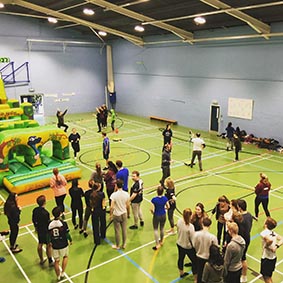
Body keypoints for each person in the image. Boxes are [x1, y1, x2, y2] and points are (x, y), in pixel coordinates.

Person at [48, 207, 72, 281]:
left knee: (56, 261)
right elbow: (67, 234)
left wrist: (49, 242)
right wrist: (70, 240)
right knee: (65, 256)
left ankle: (58, 276)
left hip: (55, 245)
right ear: (60, 214)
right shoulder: (63, 223)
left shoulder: (50, 224)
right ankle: (62, 272)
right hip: (63, 244)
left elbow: (48, 235)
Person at [193, 217, 218, 283]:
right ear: (210, 226)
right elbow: (216, 249)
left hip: (199, 256)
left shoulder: (196, 234)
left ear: (202, 224)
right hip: (208, 258)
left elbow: (194, 245)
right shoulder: (213, 237)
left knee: (199, 274)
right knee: (207, 276)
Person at [176, 208, 197, 281]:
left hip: (179, 243)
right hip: (188, 246)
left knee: (180, 259)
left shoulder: (179, 221)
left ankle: (181, 273)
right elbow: (192, 238)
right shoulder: (190, 227)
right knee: (194, 261)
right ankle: (195, 279)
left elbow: (178, 230)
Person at [260, 217, 283, 283]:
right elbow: (282, 238)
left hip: (267, 259)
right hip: (273, 258)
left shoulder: (263, 233)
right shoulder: (273, 233)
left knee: (266, 277)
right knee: (269, 276)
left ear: (266, 224)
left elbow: (269, 240)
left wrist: (266, 246)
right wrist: (276, 246)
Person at [32, 195, 53, 266]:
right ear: (44, 202)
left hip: (39, 229)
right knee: (48, 245)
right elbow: (48, 223)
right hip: (46, 231)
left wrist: (36, 227)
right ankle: (50, 261)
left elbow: (34, 219)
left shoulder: (35, 210)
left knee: (40, 243)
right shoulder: (45, 213)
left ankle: (41, 259)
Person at [110, 179, 130, 250]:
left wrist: (111, 215)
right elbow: (128, 205)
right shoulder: (126, 194)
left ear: (116, 185)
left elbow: (112, 207)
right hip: (124, 213)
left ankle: (117, 245)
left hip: (117, 214)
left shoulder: (114, 195)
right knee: (124, 230)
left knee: (117, 231)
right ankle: (124, 244)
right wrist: (128, 213)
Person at [237, 199, 253, 283]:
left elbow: (241, 231)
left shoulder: (241, 218)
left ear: (239, 208)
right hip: (247, 237)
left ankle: (244, 276)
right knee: (242, 257)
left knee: (243, 258)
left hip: (242, 239)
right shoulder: (249, 215)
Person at [150, 186, 170, 251]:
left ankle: (157, 244)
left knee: (156, 229)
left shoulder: (154, 199)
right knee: (162, 228)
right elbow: (168, 206)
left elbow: (151, 209)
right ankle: (161, 241)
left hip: (157, 215)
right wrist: (164, 209)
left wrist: (154, 213)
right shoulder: (165, 198)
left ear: (157, 191)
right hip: (163, 214)